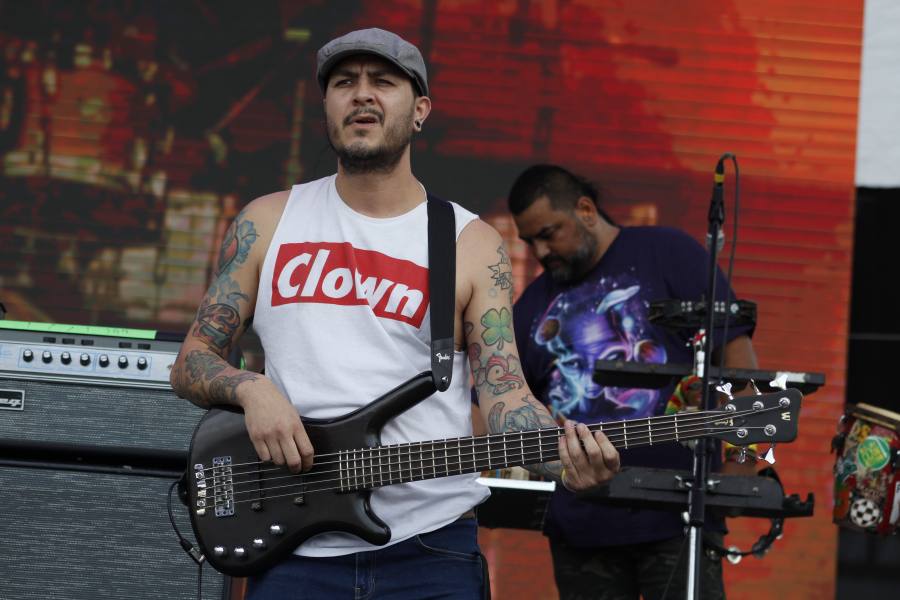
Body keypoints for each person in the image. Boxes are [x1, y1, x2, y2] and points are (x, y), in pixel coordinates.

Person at [169, 29, 620, 599]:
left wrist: (565, 460)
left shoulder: (470, 243)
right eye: (344, 83)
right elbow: (192, 361)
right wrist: (252, 390)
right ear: (327, 107)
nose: (362, 94)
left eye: (383, 82)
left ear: (420, 110)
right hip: (294, 547)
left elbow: (504, 395)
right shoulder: (267, 222)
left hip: (431, 548)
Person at [508, 164, 759, 600]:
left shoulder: (669, 252)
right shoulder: (532, 304)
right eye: (530, 241)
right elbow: (502, 399)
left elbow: (736, 360)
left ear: (586, 210)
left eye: (549, 233)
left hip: (678, 515)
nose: (541, 251)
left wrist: (743, 461)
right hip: (581, 524)